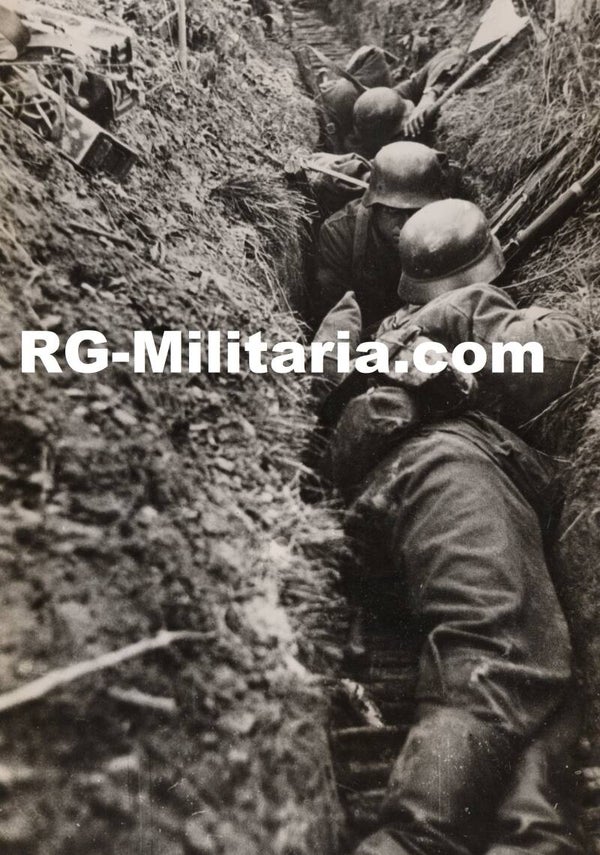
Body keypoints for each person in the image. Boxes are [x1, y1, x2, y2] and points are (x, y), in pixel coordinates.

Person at [314, 199, 588, 855]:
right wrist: (477, 310)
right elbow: (552, 362)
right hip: (449, 470)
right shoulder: (461, 321)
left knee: (542, 682)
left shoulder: (386, 326)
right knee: (499, 658)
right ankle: (415, 835)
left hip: (424, 486)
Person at [312, 141, 455, 330]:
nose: (406, 226)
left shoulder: (450, 227)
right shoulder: (341, 233)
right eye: (392, 212)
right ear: (374, 205)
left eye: (416, 211)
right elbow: (335, 316)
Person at [321, 46, 466, 155]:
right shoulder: (359, 152)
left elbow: (453, 54)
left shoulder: (396, 96)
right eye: (405, 127)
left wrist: (428, 96)